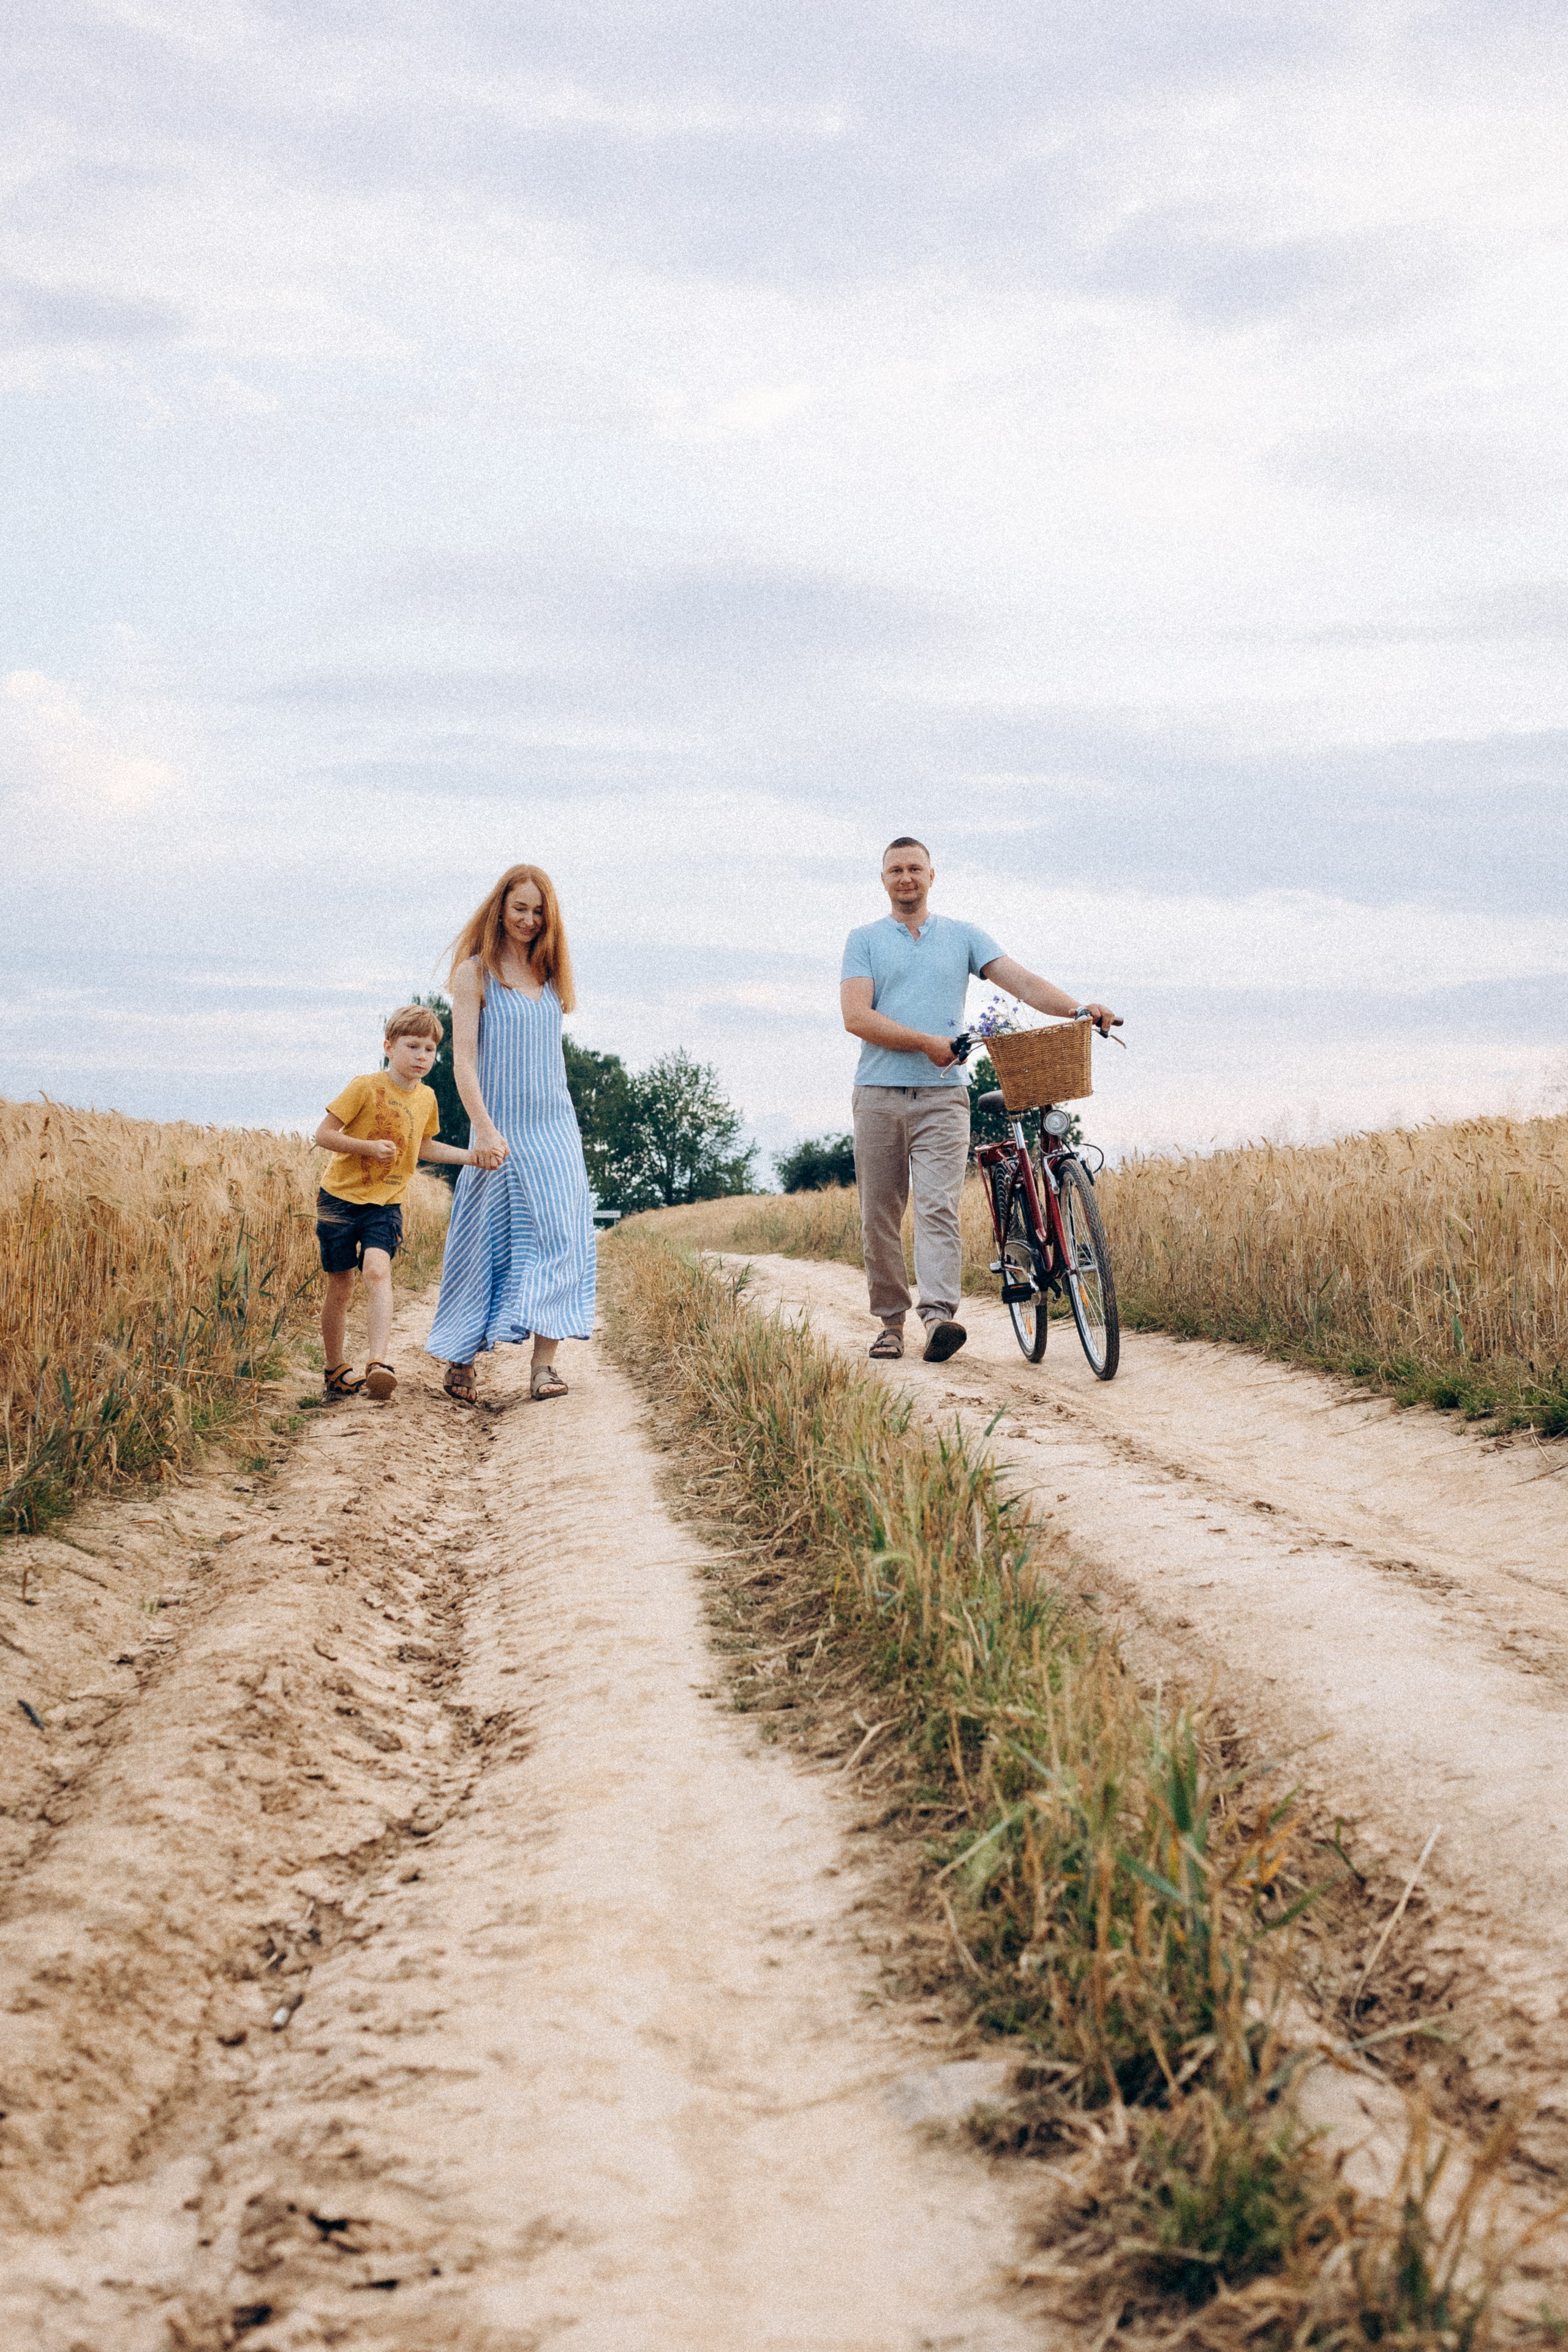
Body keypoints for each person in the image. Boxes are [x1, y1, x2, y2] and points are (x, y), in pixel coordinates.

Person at [840, 837, 1119, 1364]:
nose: (906, 877)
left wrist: (1077, 1009)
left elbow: (1022, 982)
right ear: (883, 880)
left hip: (944, 1098)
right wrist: (926, 1043)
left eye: (915, 868)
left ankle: (938, 1319)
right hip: (877, 1094)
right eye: (896, 870)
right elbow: (857, 1016)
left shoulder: (963, 936)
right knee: (879, 1215)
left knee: (937, 1209)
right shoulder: (865, 940)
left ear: (931, 876)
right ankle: (891, 1324)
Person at [424, 863, 597, 1404]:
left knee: (563, 1237)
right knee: (483, 1242)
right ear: (499, 908)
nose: (528, 919)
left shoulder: (551, 976)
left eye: (538, 911)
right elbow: (464, 1063)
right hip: (497, 1127)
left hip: (555, 1127)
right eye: (520, 908)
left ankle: (543, 1366)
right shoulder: (474, 974)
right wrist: (483, 1129)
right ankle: (461, 1358)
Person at [313, 1004, 484, 1403]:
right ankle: (335, 1369)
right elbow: (324, 1135)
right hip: (338, 1198)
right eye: (413, 1046)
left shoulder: (427, 1098)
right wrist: (368, 1148)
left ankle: (378, 1363)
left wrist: (471, 1157)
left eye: (430, 1049)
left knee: (377, 1270)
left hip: (386, 1202)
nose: (422, 1056)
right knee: (341, 1285)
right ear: (389, 1047)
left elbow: (423, 1146)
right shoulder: (365, 1087)